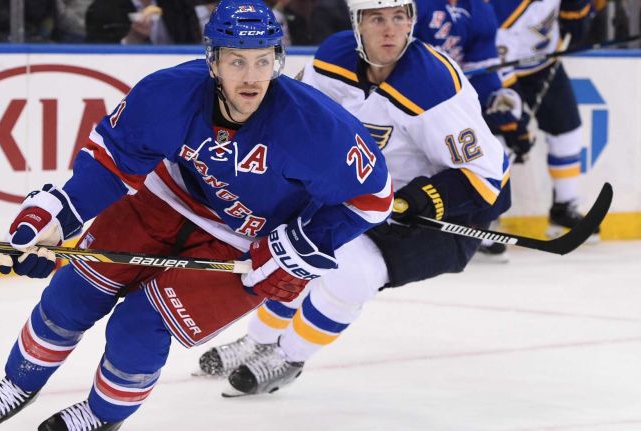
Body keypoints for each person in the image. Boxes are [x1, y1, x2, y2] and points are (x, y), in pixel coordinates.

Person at [0, 0, 393, 430]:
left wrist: (298, 247)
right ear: (212, 60)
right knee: (72, 293)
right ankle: (18, 384)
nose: (251, 78)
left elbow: (374, 198)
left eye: (263, 62)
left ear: (278, 60)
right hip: (164, 200)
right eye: (236, 61)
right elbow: (111, 161)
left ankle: (100, 416)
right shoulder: (167, 93)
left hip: (245, 241)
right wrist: (57, 217)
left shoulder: (315, 127)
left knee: (139, 326)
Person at [197, 0, 511, 396]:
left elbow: (486, 179)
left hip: (441, 214)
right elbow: (297, 118)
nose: (390, 30)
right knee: (293, 251)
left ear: (412, 21)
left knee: (350, 274)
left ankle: (288, 357)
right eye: (377, 18)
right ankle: (258, 340)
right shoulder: (333, 58)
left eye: (399, 18)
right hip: (360, 196)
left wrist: (415, 201)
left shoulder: (433, 86)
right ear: (357, 23)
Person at [412, 0, 526, 261]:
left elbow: (481, 70)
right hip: (407, 93)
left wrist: (495, 103)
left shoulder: (479, 9)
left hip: (451, 97)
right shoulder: (418, 4)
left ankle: (477, 225)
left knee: (490, 150)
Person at [491, 0, 598, 240]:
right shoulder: (506, 7)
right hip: (503, 72)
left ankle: (564, 206)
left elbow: (579, 21)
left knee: (568, 130)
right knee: (502, 140)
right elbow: (493, 57)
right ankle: (486, 212)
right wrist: (513, 115)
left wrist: (580, 11)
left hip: (544, 64)